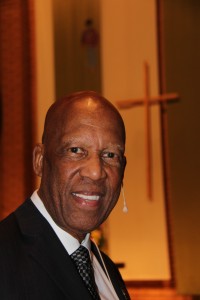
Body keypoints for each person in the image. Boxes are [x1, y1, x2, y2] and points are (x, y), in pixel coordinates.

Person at [0, 91, 130, 300]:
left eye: (110, 155)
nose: (96, 172)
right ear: (40, 161)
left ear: (123, 169)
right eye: (76, 150)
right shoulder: (5, 258)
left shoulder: (107, 270)